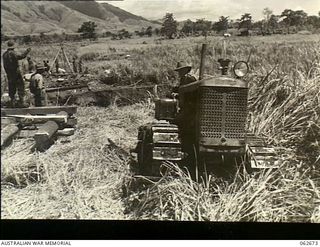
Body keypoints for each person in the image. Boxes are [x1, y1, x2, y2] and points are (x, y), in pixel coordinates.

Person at [2, 40, 31, 108]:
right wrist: (27, 51)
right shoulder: (13, 53)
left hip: (9, 74)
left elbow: (4, 65)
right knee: (21, 87)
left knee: (11, 88)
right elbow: (21, 56)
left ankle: (12, 103)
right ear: (13, 46)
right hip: (16, 73)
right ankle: (21, 102)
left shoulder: (4, 55)